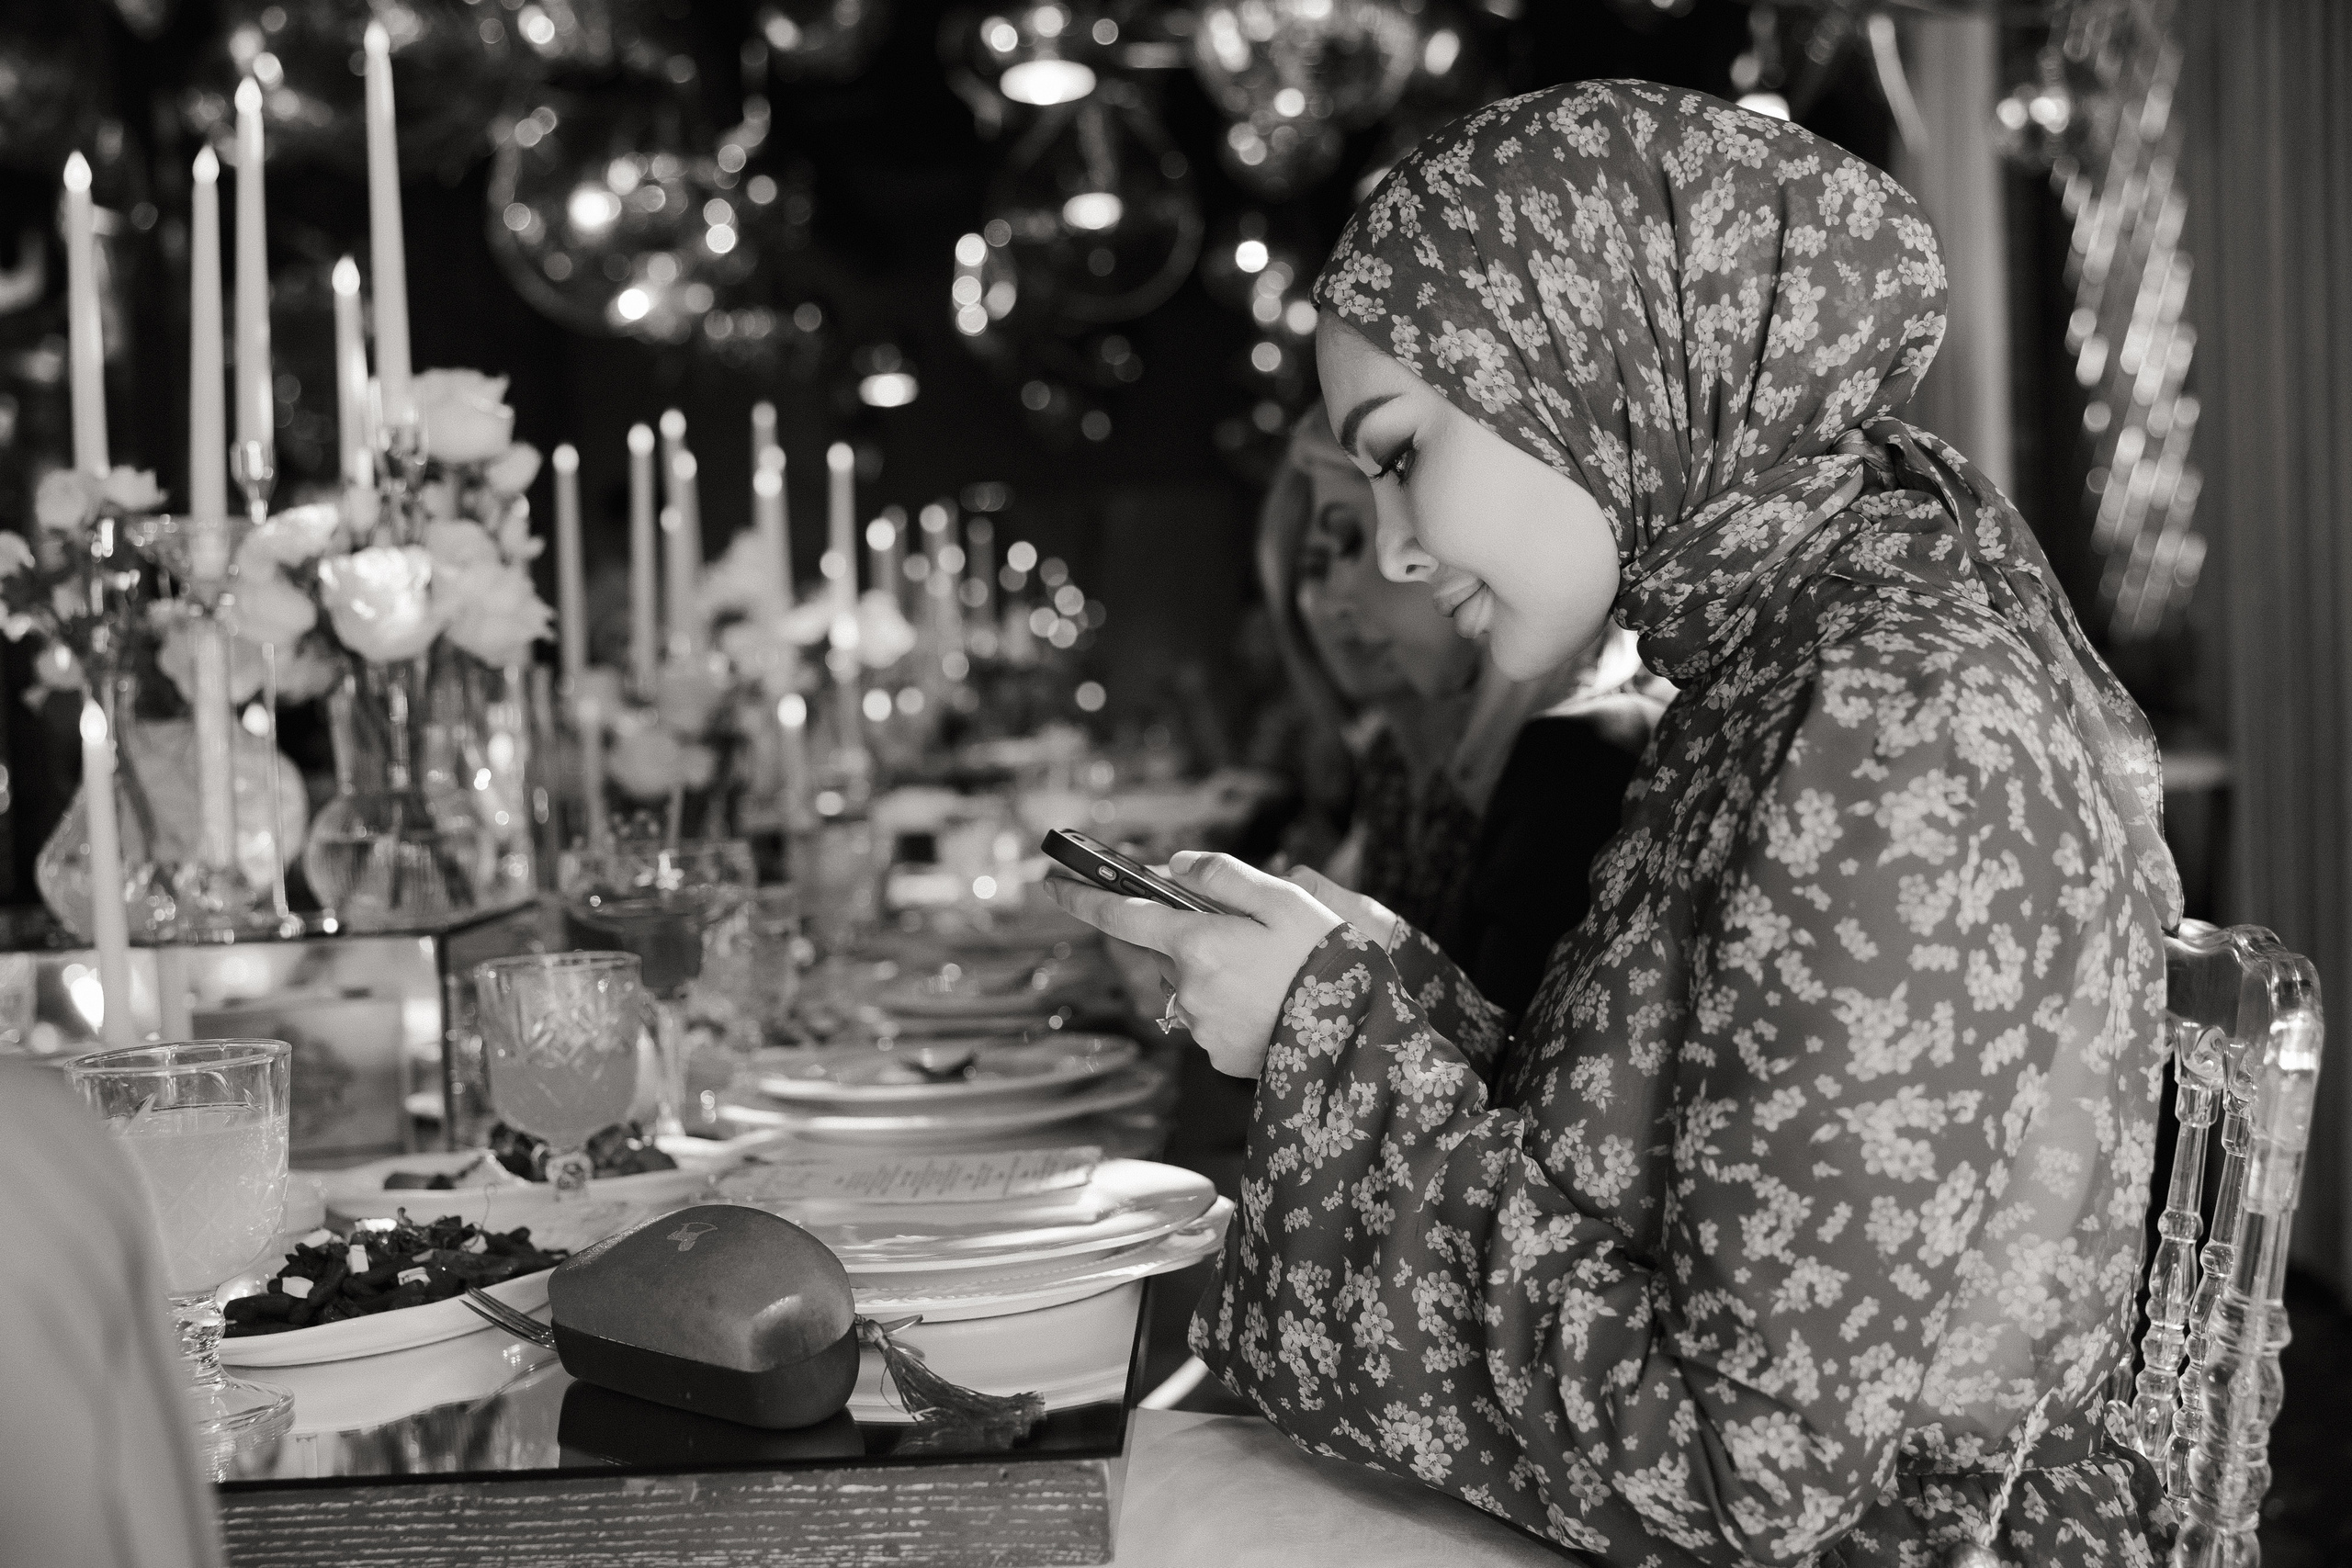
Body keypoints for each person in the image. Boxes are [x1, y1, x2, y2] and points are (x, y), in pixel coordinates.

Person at [1048, 82, 2177, 1566]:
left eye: (1398, 454)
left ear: (1586, 364)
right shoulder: (1781, 661)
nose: (1389, 547)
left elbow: (1741, 1471)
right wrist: (1355, 979)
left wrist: (1332, 1038)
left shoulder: (1891, 718)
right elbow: (1666, 1175)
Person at [1262, 406, 1662, 1016]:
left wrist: (1292, 1009)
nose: (1333, 598)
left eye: (1347, 542)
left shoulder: (1578, 753)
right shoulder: (1404, 759)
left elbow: (1503, 1086)